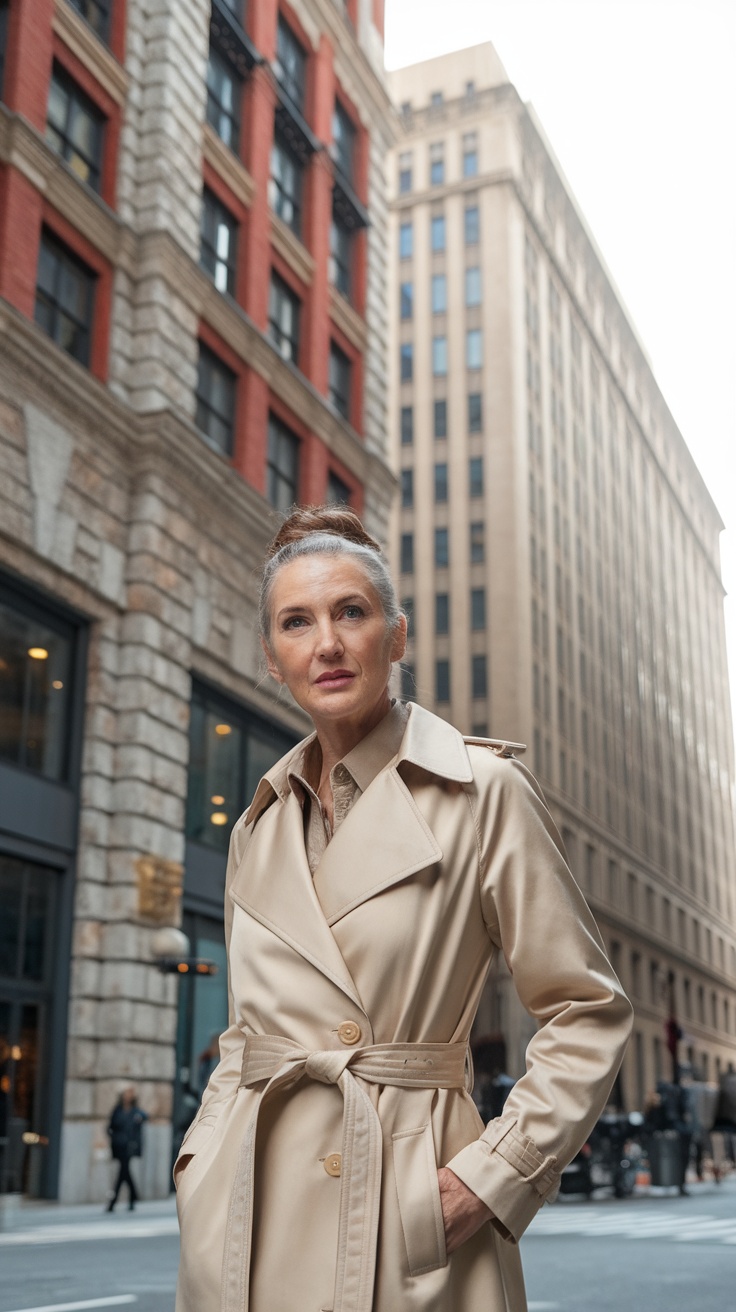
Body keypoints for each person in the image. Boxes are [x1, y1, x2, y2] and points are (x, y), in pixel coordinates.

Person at [174, 506, 633, 1312]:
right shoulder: (260, 818)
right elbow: (246, 1031)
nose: (327, 643)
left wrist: (490, 1179)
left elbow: (586, 1010)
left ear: (398, 635)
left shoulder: (482, 793)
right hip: (247, 1212)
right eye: (296, 622)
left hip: (412, 1207)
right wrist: (200, 1161)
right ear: (272, 661)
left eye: (352, 612)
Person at [107, 1085, 147, 1212]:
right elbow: (110, 1126)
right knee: (125, 1172)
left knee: (123, 1172)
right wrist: (114, 1137)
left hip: (129, 1146)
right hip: (119, 1145)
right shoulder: (117, 1110)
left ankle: (113, 1203)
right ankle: (133, 1197)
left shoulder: (136, 1112)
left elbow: (145, 1116)